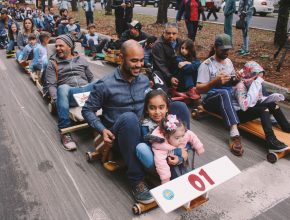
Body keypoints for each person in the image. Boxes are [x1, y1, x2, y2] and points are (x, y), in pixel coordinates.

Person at [82, 40, 154, 204]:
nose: (139, 65)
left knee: (178, 106)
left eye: (141, 60)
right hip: (117, 137)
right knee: (129, 118)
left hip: (142, 132)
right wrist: (101, 129)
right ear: (121, 58)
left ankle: (179, 163)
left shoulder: (143, 80)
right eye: (134, 61)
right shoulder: (105, 84)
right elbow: (87, 110)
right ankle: (136, 180)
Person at [196, 33, 289, 156]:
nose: (226, 52)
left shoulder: (228, 62)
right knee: (224, 92)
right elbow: (199, 89)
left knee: (265, 106)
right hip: (211, 101)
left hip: (230, 103)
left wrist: (237, 78)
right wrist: (215, 82)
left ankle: (275, 137)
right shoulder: (206, 65)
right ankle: (234, 134)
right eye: (223, 49)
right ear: (215, 47)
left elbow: (233, 81)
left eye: (228, 49)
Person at [45, 34, 96, 151]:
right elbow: (52, 85)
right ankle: (65, 132)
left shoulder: (81, 60)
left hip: (87, 92)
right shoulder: (53, 63)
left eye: (61, 46)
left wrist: (96, 88)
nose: (57, 48)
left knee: (101, 82)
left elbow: (91, 78)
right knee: (62, 88)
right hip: (70, 95)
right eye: (56, 46)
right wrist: (56, 100)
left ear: (69, 46)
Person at [136, 89, 192, 171]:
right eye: (152, 108)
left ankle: (179, 167)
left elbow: (185, 138)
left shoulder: (172, 121)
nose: (157, 112)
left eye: (161, 107)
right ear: (147, 110)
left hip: (176, 154)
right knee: (141, 147)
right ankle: (156, 174)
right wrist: (174, 152)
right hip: (159, 159)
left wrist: (179, 157)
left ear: (167, 109)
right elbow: (153, 147)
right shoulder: (145, 125)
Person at [152, 114, 204, 184]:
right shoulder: (160, 148)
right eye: (177, 138)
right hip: (171, 164)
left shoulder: (181, 134)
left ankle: (190, 176)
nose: (181, 139)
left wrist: (199, 147)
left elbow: (191, 135)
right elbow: (161, 164)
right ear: (167, 137)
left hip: (182, 157)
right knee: (176, 173)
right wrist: (165, 179)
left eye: (182, 136)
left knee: (188, 163)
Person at [151, 23, 182, 92]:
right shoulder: (158, 45)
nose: (171, 36)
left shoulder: (180, 42)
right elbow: (160, 65)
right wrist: (170, 77)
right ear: (163, 32)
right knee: (156, 74)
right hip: (162, 73)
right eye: (168, 33)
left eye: (174, 34)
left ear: (177, 34)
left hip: (176, 70)